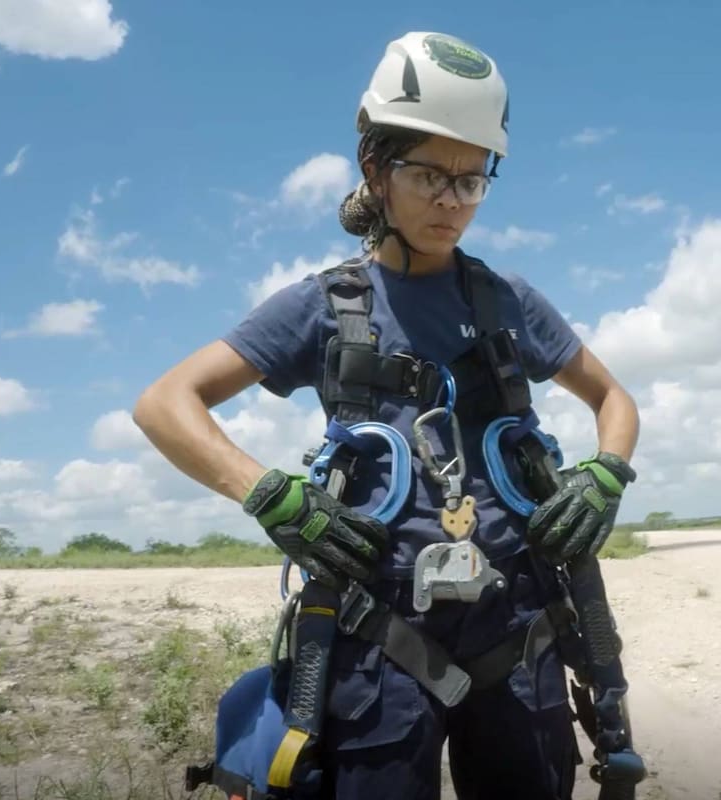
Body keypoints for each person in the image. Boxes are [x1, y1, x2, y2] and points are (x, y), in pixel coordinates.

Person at [134, 31, 643, 800]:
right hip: (378, 636)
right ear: (374, 167)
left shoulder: (508, 302)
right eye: (429, 174)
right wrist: (266, 492)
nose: (450, 201)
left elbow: (614, 398)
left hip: (519, 623)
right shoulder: (323, 306)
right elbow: (164, 403)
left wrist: (606, 473)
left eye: (472, 181)